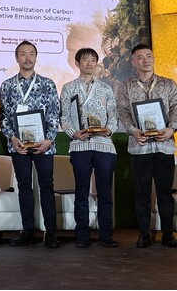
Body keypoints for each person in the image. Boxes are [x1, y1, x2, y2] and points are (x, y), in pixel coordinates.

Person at [115, 43, 177, 249]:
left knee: (165, 192)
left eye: (149, 56)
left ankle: (168, 234)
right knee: (141, 193)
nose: (145, 60)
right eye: (140, 57)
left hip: (164, 145)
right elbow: (123, 112)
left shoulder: (168, 84)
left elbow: (176, 108)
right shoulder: (125, 86)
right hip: (139, 146)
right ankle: (144, 234)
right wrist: (133, 131)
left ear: (153, 58)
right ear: (133, 62)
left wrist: (171, 129)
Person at [0, 40, 61, 248]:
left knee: (47, 186)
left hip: (44, 145)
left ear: (36, 57)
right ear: (17, 58)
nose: (28, 58)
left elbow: (54, 114)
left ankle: (50, 232)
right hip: (19, 146)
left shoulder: (47, 84)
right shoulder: (7, 85)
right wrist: (12, 138)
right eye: (23, 54)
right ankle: (27, 231)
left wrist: (49, 139)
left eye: (31, 53)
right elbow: (4, 116)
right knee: (24, 186)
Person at [59, 48, 119, 248]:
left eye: (93, 60)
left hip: (104, 145)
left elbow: (113, 114)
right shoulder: (68, 88)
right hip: (80, 144)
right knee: (81, 190)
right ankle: (82, 235)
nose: (90, 63)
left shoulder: (106, 88)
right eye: (85, 60)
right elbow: (64, 116)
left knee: (105, 192)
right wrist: (73, 133)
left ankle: (106, 235)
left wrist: (109, 130)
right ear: (77, 63)